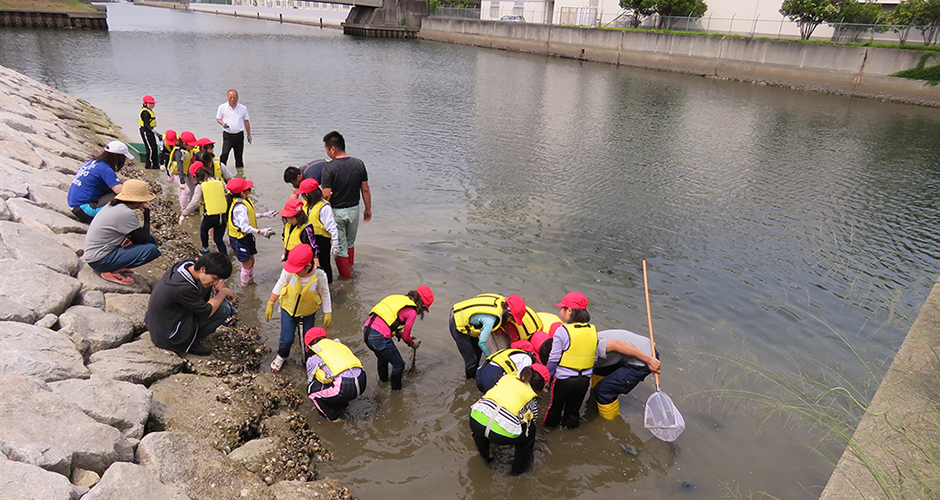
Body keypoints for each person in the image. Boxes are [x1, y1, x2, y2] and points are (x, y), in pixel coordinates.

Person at [146, 252, 234, 356]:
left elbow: (209, 281)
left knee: (205, 285)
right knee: (224, 309)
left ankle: (191, 333)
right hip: (168, 337)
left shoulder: (188, 264)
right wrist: (223, 293)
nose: (216, 282)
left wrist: (220, 284)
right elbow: (207, 311)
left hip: (159, 322)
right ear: (202, 269)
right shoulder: (182, 288)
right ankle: (190, 343)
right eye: (215, 278)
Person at [469, 364, 549, 476]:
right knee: (530, 432)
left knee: (481, 432)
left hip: (476, 419)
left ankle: (486, 457)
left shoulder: (506, 378)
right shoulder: (531, 397)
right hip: (500, 434)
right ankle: (518, 471)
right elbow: (532, 418)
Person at [265, 244, 332, 372]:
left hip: (307, 314)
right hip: (288, 311)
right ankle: (281, 356)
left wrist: (327, 312)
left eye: (298, 269)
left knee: (307, 341)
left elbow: (325, 293)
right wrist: (270, 303)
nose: (294, 271)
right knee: (286, 339)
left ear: (308, 266)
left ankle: (307, 361)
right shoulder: (289, 271)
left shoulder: (320, 276)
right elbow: (279, 285)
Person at [83, 179, 161, 285]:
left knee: (150, 239)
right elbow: (142, 239)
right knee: (151, 250)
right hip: (99, 260)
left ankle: (116, 265)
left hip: (94, 254)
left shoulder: (113, 205)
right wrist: (146, 216)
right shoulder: (126, 213)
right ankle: (111, 270)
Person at [543, 291, 598, 430]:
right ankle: (570, 431)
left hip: (564, 379)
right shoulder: (593, 330)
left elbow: (554, 357)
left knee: (555, 407)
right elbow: (594, 356)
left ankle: (549, 431)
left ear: (569, 311)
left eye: (562, 308)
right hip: (584, 379)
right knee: (574, 410)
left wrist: (548, 375)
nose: (560, 311)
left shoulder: (563, 331)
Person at [320, 131, 371, 279]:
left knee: (340, 247)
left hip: (337, 212)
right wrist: (368, 209)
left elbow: (326, 194)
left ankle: (346, 279)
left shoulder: (329, 168)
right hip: (354, 209)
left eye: (327, 149)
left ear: (333, 149)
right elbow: (365, 189)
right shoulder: (359, 164)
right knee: (350, 242)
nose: (327, 153)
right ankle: (350, 268)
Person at [363, 287, 434, 390]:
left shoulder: (398, 298)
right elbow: (406, 338)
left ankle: (382, 383)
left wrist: (399, 334)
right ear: (421, 305)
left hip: (367, 331)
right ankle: (396, 393)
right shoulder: (412, 311)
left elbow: (388, 321)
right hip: (379, 336)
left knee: (382, 358)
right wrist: (412, 344)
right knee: (399, 365)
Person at [449, 293, 527, 379]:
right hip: (457, 327)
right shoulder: (490, 320)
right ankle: (470, 381)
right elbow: (481, 343)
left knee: (478, 352)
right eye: (512, 319)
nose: (511, 322)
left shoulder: (500, 303)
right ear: (508, 313)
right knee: (472, 360)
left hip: (465, 320)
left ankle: (476, 373)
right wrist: (489, 355)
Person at [593, 329, 661, 419]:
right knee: (597, 370)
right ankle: (594, 399)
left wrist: (649, 360)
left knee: (603, 390)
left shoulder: (592, 345)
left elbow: (617, 345)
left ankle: (610, 421)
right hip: (622, 354)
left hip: (643, 357)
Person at [304, 327, 367, 422]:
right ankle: (343, 405)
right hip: (362, 380)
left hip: (344, 387)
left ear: (309, 346)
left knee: (312, 391)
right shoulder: (338, 345)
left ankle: (333, 419)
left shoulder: (312, 358)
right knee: (337, 377)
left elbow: (311, 380)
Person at [226, 177, 274, 287]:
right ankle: (245, 286)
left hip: (246, 236)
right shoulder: (239, 207)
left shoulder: (243, 201)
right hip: (239, 239)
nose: (251, 190)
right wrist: (261, 232)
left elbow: (248, 216)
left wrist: (264, 215)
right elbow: (244, 227)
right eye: (248, 188)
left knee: (251, 260)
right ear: (242, 193)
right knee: (247, 264)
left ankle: (250, 280)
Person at [67, 140, 128, 223]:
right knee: (122, 199)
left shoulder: (94, 162)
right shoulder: (105, 169)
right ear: (119, 157)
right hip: (84, 209)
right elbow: (121, 192)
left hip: (75, 204)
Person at [180, 162, 228, 256]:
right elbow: (228, 191)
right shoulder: (219, 180)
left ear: (195, 176)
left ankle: (205, 249)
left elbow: (194, 203)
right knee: (219, 240)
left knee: (203, 229)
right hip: (223, 215)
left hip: (211, 216)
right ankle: (225, 258)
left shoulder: (200, 186)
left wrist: (184, 214)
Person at [297, 178, 338, 283]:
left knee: (324, 265)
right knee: (308, 265)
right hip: (308, 239)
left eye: (303, 195)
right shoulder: (305, 205)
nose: (302, 197)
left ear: (309, 195)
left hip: (321, 241)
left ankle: (327, 286)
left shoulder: (324, 207)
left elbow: (331, 226)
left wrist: (335, 243)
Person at [216, 89, 250, 170]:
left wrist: (249, 135)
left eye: (234, 97)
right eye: (230, 97)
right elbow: (218, 118)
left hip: (239, 135)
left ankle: (240, 175)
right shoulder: (222, 107)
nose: (232, 99)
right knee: (224, 154)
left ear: (237, 98)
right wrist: (223, 123)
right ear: (227, 97)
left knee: (239, 157)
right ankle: (220, 171)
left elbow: (246, 121)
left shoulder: (243, 108)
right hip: (228, 135)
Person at [170, 131, 198, 208]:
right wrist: (182, 181)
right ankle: (184, 209)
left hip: (187, 173)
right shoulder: (179, 153)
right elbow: (179, 167)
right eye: (191, 145)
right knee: (186, 191)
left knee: (193, 188)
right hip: (178, 174)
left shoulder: (189, 151)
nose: (193, 147)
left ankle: (191, 206)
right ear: (184, 144)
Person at [139, 95, 159, 170]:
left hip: (150, 131)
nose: (152, 105)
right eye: (150, 104)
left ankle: (156, 165)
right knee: (150, 148)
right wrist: (152, 130)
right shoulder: (145, 112)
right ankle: (148, 165)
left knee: (154, 147)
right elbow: (146, 124)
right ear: (145, 104)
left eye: (153, 104)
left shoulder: (149, 111)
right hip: (145, 131)